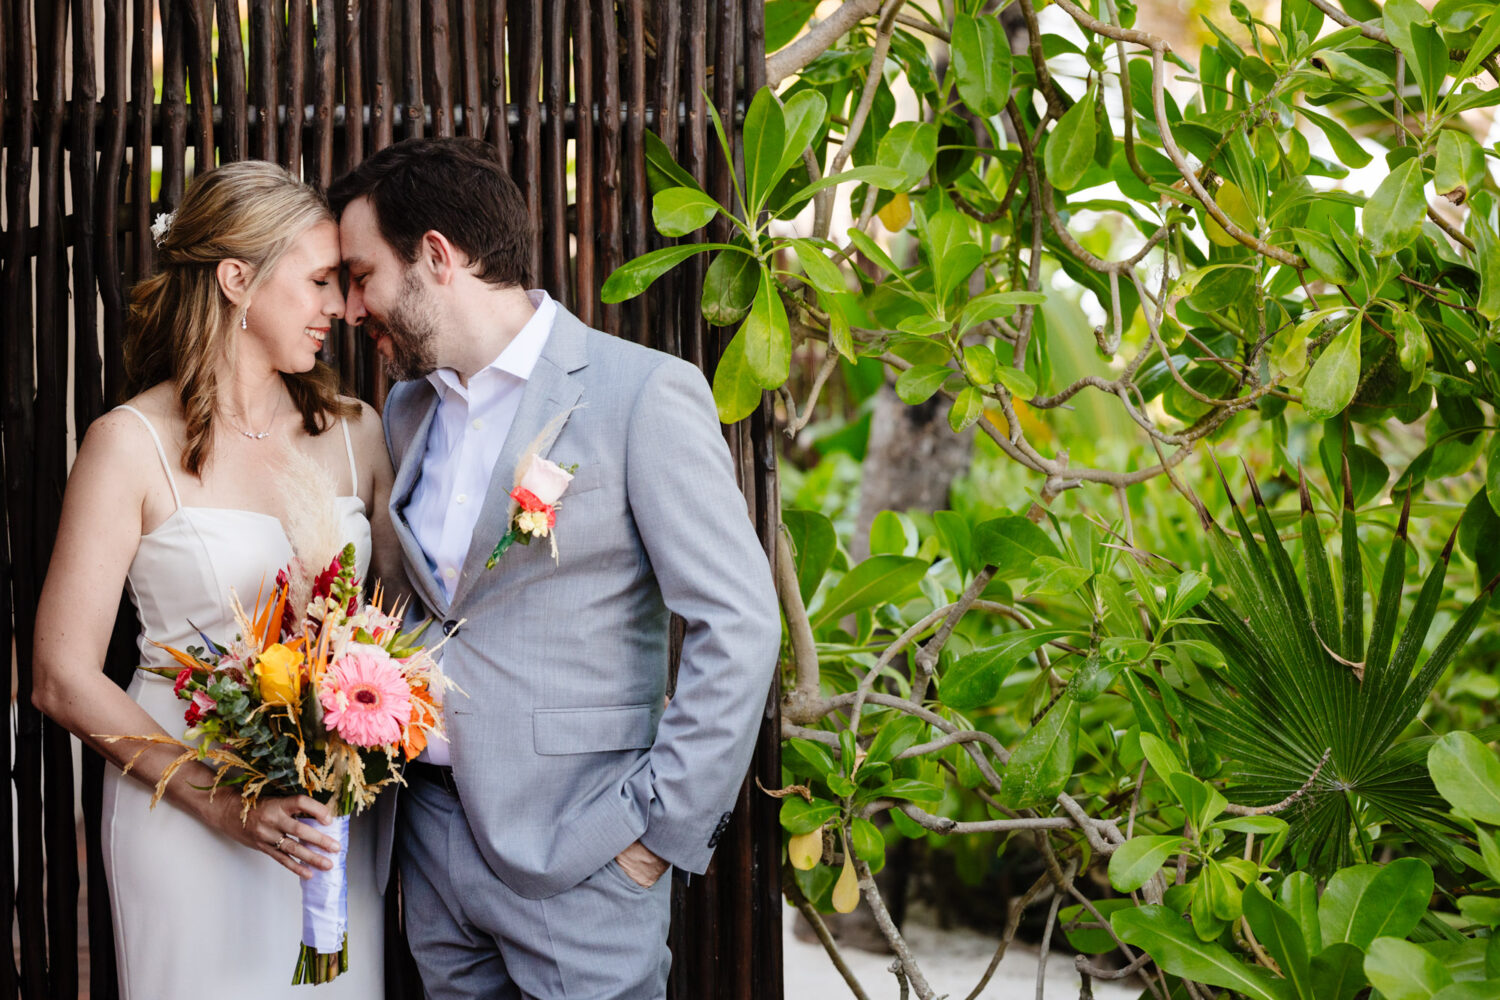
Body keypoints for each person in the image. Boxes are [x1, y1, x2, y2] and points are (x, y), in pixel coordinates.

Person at [328, 137, 781, 1000]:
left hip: (585, 858)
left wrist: (654, 836)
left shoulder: (639, 393)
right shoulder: (407, 408)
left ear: (435, 257)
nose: (352, 308)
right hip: (433, 845)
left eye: (361, 275)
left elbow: (741, 621)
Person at [32, 161, 396, 1000]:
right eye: (317, 282)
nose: (339, 308)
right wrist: (218, 803)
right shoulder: (129, 443)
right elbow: (60, 673)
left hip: (329, 826)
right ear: (238, 280)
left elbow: (397, 625)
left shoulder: (357, 434)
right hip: (186, 817)